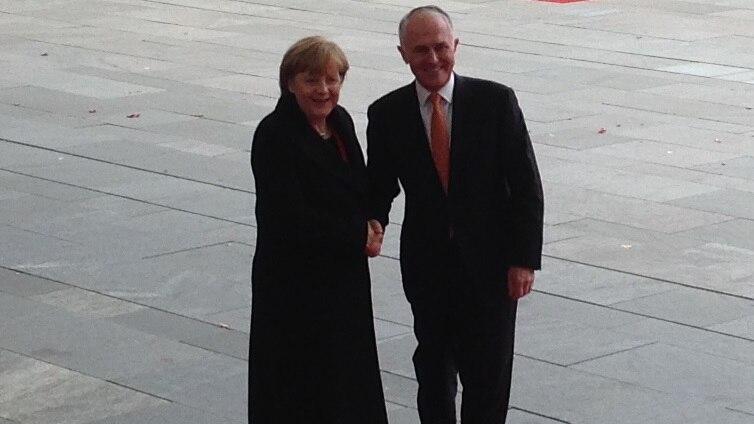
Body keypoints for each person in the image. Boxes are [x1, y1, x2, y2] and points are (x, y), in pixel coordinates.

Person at [366, 6, 544, 424]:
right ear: (402, 54)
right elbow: (379, 185)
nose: (432, 59)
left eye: (441, 47)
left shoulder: (495, 102)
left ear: (456, 46)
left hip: (491, 265)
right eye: (420, 50)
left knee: (489, 377)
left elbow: (526, 186)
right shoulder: (387, 113)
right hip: (428, 265)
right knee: (433, 372)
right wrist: (373, 222)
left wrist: (523, 260)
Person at [249, 36, 387, 424]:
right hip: (295, 288)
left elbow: (359, 185)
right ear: (290, 82)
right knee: (302, 388)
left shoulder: (340, 123)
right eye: (312, 80)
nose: (323, 90)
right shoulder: (274, 135)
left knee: (349, 381)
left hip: (344, 281)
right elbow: (287, 215)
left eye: (332, 80)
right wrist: (355, 235)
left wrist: (375, 221)